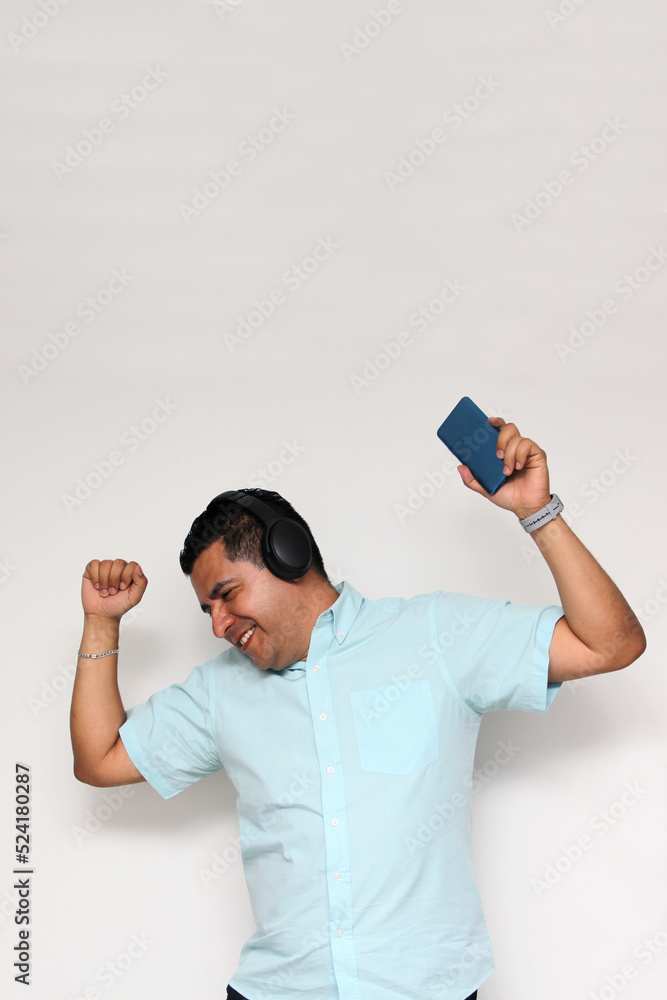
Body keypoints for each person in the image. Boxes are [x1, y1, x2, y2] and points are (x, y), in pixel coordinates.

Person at [70, 417, 646, 1000]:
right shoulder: (220, 691)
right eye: (206, 611)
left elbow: (612, 644)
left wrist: (537, 511)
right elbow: (100, 759)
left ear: (287, 554)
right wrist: (101, 622)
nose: (219, 625)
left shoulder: (437, 634)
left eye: (226, 595)